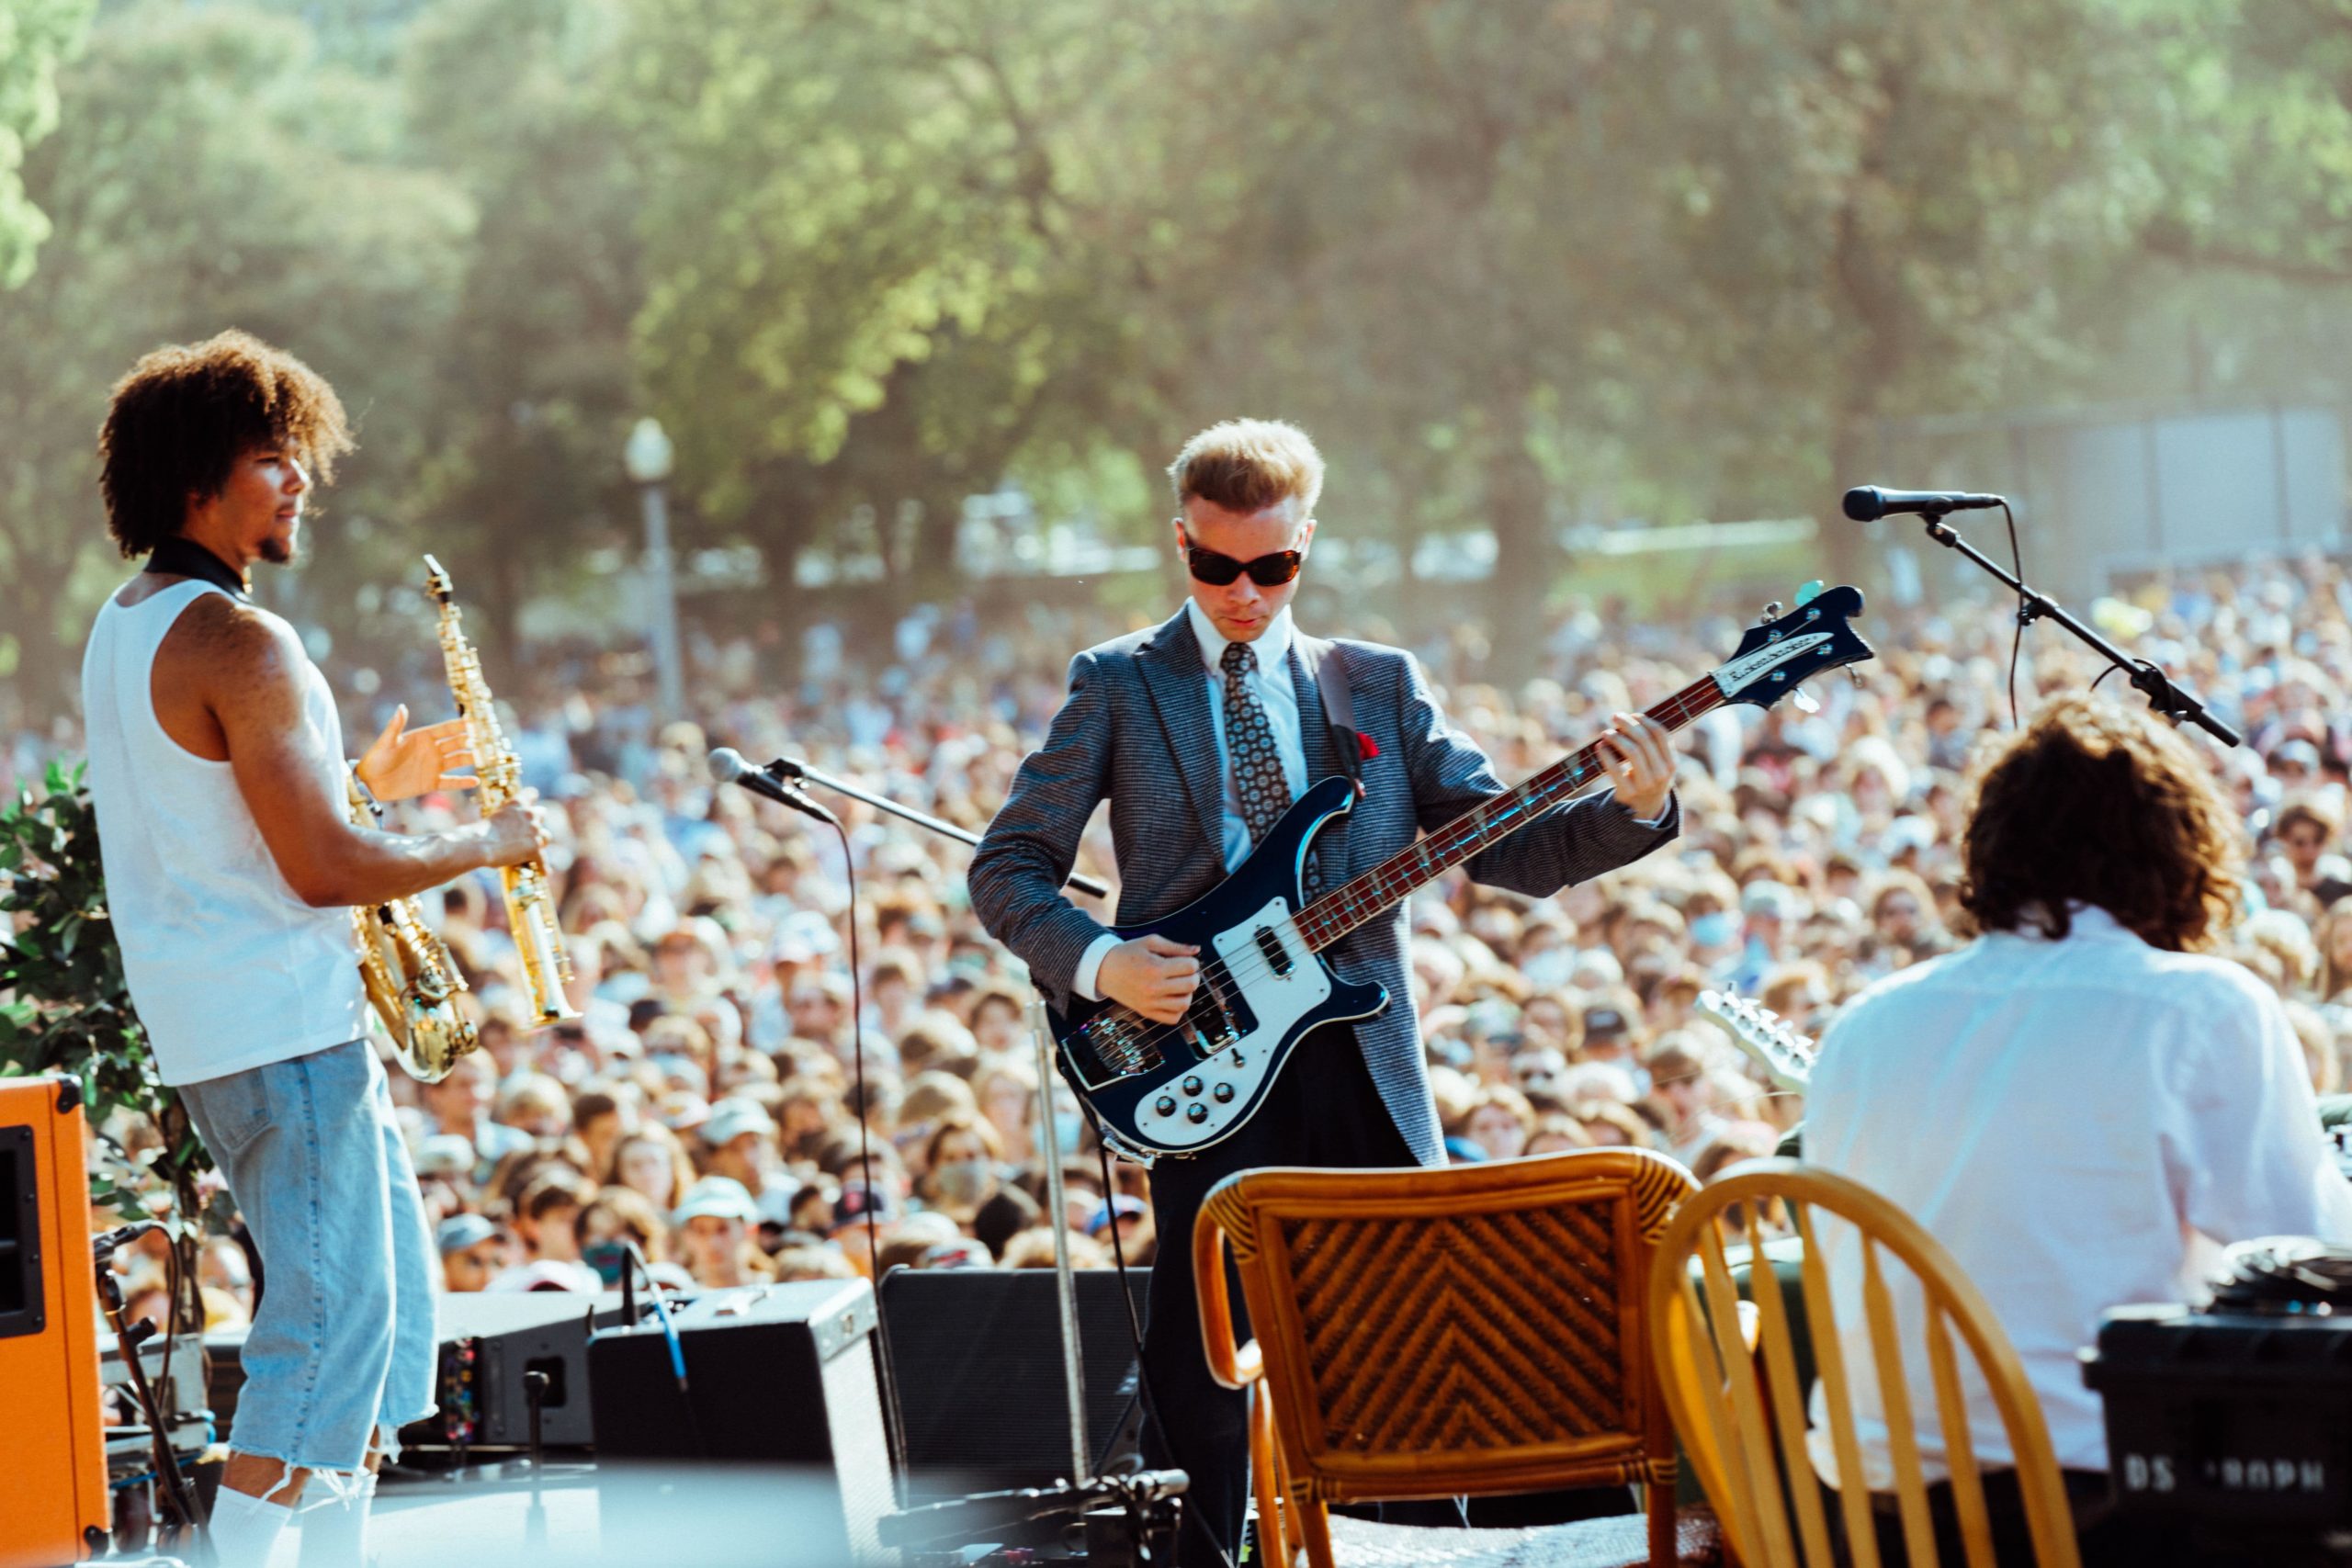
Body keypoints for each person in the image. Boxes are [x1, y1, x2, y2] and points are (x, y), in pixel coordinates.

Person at [968, 418, 1679, 1565]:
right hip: (1198, 1058)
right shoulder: (1116, 685)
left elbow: (1504, 847)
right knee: (1209, 1381)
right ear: (1181, 543)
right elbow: (1006, 868)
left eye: (1271, 566)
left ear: (1306, 541)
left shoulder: (1378, 685)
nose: (1243, 592)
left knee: (1412, 1359)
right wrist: (1103, 964)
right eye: (1214, 566)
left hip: (1362, 1056)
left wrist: (1633, 811)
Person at [78, 332, 548, 1566]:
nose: (302, 484)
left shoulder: (126, 625)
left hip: (237, 1025)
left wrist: (359, 784)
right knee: (330, 1329)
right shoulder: (245, 640)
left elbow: (227, 831)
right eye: (276, 460)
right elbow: (320, 867)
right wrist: (484, 841)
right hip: (283, 1028)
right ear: (199, 476)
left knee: (382, 1332)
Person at [1804, 694, 2352, 1565]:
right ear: (2178, 850)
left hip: (1876, 1519)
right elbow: (2312, 1247)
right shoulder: (2197, 1006)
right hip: (2102, 1511)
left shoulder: (1862, 1025)